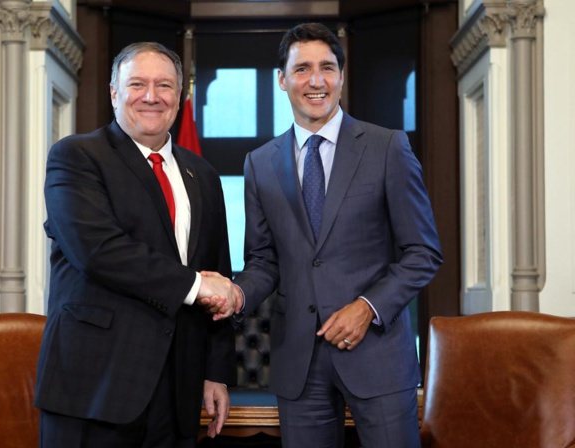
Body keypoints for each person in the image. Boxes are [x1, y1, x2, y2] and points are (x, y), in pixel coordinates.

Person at [232, 23, 443, 448]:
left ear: (341, 77)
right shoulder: (259, 163)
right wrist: (234, 294)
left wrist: (368, 306)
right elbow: (263, 261)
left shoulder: (388, 147)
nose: (316, 81)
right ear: (282, 79)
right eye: (303, 69)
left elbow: (423, 252)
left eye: (327, 68)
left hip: (378, 357)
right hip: (298, 361)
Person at [34, 42, 240, 448]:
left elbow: (219, 269)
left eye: (164, 85)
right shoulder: (76, 157)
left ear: (178, 98)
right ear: (114, 92)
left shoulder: (203, 173)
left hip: (178, 388)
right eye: (137, 84)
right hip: (96, 385)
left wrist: (215, 372)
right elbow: (98, 252)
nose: (151, 96)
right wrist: (198, 286)